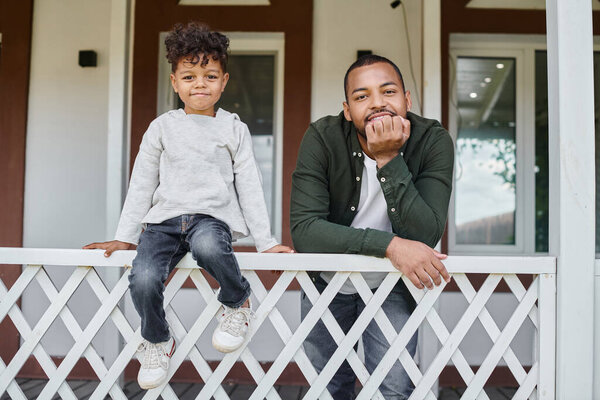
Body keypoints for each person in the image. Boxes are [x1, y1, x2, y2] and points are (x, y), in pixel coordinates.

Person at [84, 22, 292, 390]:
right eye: (190, 75)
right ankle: (157, 339)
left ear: (224, 81)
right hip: (162, 222)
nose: (200, 83)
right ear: (175, 81)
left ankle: (237, 301)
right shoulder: (162, 128)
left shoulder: (233, 128)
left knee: (209, 246)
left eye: (210, 75)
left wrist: (266, 240)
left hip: (210, 219)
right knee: (144, 279)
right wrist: (125, 236)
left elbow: (250, 185)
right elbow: (142, 184)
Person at [290, 54, 454, 399]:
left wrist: (388, 158)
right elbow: (305, 230)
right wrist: (391, 245)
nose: (377, 103)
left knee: (394, 387)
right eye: (362, 96)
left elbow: (426, 234)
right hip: (327, 281)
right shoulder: (322, 137)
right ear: (347, 110)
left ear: (407, 100)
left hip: (394, 283)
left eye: (388, 91)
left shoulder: (432, 141)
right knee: (329, 387)